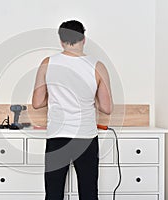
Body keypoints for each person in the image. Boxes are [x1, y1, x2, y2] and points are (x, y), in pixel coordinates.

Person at [32, 20, 113, 200]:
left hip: (57, 136)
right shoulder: (98, 66)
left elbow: (37, 103)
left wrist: (53, 95)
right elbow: (107, 108)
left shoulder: (48, 63)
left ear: (61, 41)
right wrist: (90, 98)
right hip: (85, 137)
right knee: (89, 193)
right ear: (83, 39)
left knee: (53, 193)